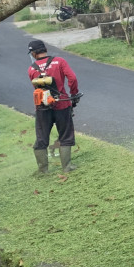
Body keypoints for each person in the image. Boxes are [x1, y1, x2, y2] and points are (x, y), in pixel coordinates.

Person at [27, 39, 80, 173]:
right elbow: (72, 78)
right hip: (62, 104)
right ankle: (67, 167)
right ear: (45, 49)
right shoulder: (59, 61)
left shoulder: (32, 69)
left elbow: (36, 88)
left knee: (41, 138)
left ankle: (42, 169)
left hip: (42, 108)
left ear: (33, 54)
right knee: (65, 136)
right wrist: (73, 94)